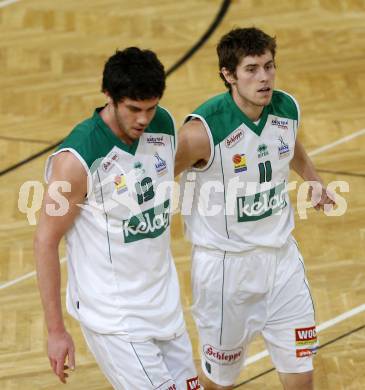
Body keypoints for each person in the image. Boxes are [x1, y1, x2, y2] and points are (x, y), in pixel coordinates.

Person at [175, 27, 335, 390]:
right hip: (225, 270)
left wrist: (312, 177)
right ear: (228, 75)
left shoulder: (286, 107)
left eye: (269, 66)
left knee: (301, 375)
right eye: (251, 69)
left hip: (282, 261)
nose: (264, 77)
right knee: (220, 382)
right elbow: (158, 173)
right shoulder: (202, 131)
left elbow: (287, 143)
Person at [34, 47, 200, 390]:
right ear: (109, 96)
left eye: (150, 108)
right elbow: (45, 241)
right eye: (134, 109)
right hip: (116, 316)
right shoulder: (77, 159)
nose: (143, 119)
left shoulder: (164, 125)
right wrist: (55, 330)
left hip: (164, 304)